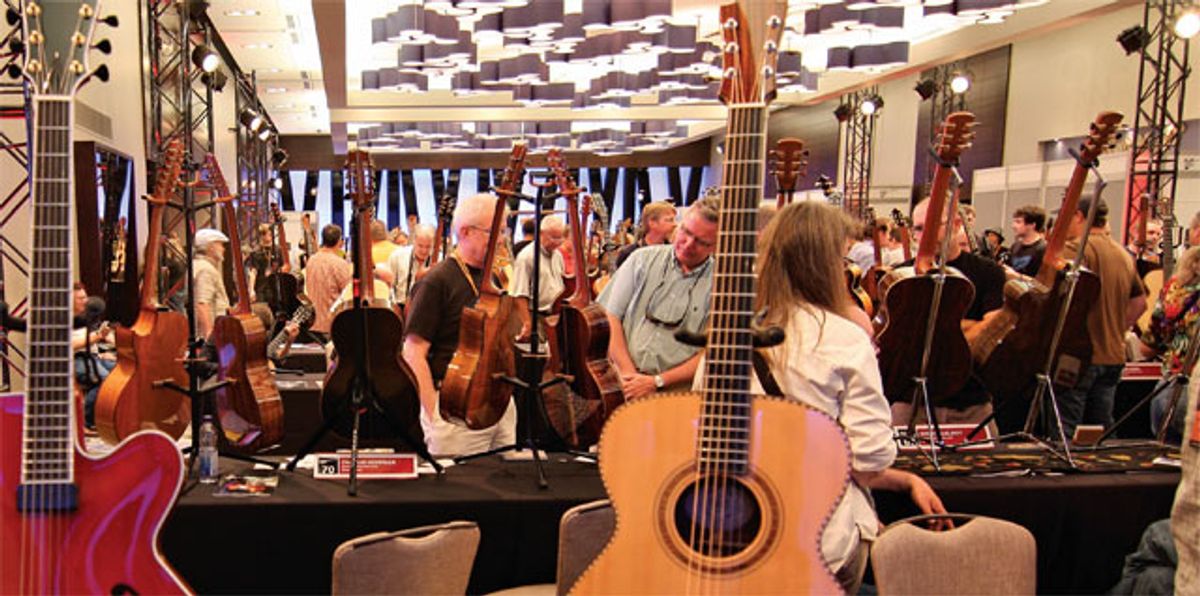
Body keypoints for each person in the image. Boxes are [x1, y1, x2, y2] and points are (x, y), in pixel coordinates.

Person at [749, 201, 948, 593]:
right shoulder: (842, 339)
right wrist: (903, 476)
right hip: (820, 538)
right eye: (841, 259)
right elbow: (868, 458)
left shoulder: (722, 337)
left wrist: (903, 480)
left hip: (737, 534)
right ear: (821, 264)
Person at [402, 193, 516, 457]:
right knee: (459, 491)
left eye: (503, 231)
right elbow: (413, 352)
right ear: (465, 232)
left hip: (499, 404)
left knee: (511, 485)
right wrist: (433, 413)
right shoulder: (437, 281)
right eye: (494, 232)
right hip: (454, 407)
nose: (501, 240)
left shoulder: (495, 278)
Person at [892, 198, 1007, 430]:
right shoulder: (901, 276)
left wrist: (935, 328)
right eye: (918, 228)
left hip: (971, 402)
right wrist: (966, 327)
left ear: (955, 225)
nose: (923, 235)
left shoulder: (987, 272)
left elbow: (992, 331)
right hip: (910, 402)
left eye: (933, 226)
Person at [598, 195, 718, 400]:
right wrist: (629, 376)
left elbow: (712, 351)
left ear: (716, 245)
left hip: (675, 397)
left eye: (701, 241)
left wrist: (657, 381)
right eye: (686, 232)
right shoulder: (641, 260)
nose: (688, 244)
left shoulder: (721, 283)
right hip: (622, 385)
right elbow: (610, 316)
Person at [1060, 198, 1146, 438]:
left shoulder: (1074, 249)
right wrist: (1116, 329)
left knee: (1065, 433)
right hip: (1112, 356)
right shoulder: (1122, 253)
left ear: (1078, 216)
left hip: (1078, 356)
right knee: (1102, 433)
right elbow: (1140, 302)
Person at [72, 282, 115, 429]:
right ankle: (86, 420)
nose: (86, 301)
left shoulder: (88, 317)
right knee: (104, 380)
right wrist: (97, 336)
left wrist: (121, 345)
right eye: (80, 299)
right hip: (76, 359)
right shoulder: (61, 320)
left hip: (95, 356)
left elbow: (106, 337)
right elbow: (72, 344)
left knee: (124, 373)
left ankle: (114, 415)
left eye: (85, 297)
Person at [510, 215, 567, 328]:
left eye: (560, 238)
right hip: (536, 317)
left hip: (556, 316)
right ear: (541, 233)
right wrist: (527, 323)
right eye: (554, 238)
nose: (558, 242)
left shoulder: (558, 255)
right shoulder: (526, 257)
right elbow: (519, 295)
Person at [303, 224, 352, 343]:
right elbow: (347, 293)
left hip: (312, 322)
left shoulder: (311, 260)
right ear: (340, 242)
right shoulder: (340, 264)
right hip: (331, 324)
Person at [612, 200, 676, 270]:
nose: (674, 224)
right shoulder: (628, 255)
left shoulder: (674, 253)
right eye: (669, 220)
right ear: (652, 223)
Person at [387, 223, 436, 312]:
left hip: (429, 310)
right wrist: (394, 307)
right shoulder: (397, 256)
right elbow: (389, 286)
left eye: (428, 247)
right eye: (420, 246)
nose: (424, 251)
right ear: (413, 241)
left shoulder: (439, 260)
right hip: (401, 307)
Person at [193, 228, 231, 339]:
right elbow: (202, 303)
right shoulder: (206, 270)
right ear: (211, 246)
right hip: (213, 333)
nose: (223, 249)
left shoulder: (199, 265)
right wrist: (209, 334)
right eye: (220, 245)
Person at [1008, 204, 1047, 277]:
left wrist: (1016, 276)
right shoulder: (1015, 246)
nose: (1013, 226)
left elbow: (1041, 283)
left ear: (1032, 225)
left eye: (1018, 222)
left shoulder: (1043, 249)